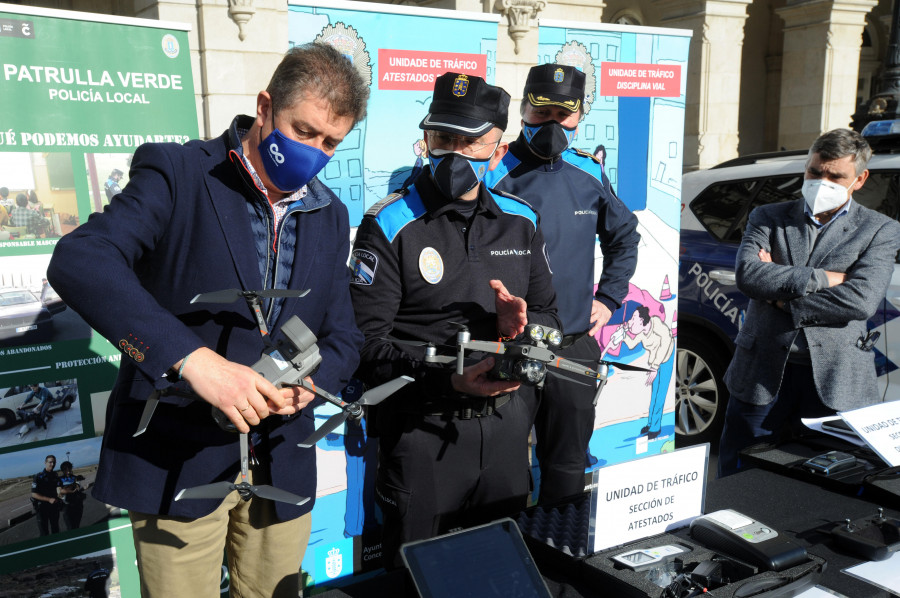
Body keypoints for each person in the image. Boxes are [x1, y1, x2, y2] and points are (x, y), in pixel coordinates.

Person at [47, 43, 367, 597]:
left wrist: (312, 386)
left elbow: (344, 333)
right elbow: (80, 260)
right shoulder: (177, 173)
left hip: (281, 466)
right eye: (303, 130)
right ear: (265, 107)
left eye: (331, 143)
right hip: (176, 460)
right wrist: (192, 361)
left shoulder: (330, 213)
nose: (315, 153)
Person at [350, 72, 560, 568]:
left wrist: (524, 331)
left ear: (497, 146)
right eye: (442, 138)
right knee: (419, 578)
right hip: (423, 436)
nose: (452, 154)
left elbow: (550, 315)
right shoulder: (389, 223)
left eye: (469, 142)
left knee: (500, 572)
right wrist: (445, 377)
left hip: (508, 433)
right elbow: (364, 344)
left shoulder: (521, 219)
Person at [483, 64, 640, 503]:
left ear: (578, 116)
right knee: (503, 467)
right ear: (524, 108)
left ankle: (561, 555)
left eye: (562, 114)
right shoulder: (491, 171)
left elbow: (624, 237)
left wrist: (609, 298)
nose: (551, 123)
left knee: (568, 465)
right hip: (505, 348)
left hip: (573, 345)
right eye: (541, 110)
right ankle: (513, 561)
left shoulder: (588, 174)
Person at [718, 128, 900, 477]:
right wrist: (824, 278)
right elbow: (750, 276)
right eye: (816, 172)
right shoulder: (767, 216)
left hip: (835, 381)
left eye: (836, 176)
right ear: (807, 166)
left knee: (825, 488)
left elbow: (861, 300)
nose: (822, 182)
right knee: (740, 476)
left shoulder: (880, 229)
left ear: (859, 179)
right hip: (762, 374)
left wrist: (785, 302)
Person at [603, 306, 675, 439]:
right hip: (656, 360)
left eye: (633, 318)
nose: (631, 321)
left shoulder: (656, 323)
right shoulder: (641, 333)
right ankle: (650, 423)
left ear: (642, 320)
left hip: (667, 357)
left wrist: (654, 367)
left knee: (660, 394)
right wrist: (622, 335)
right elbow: (631, 345)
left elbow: (665, 342)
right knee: (654, 394)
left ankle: (655, 428)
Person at [31, 455, 60, 536]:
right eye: (50, 462)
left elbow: (59, 489)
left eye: (54, 462)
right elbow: (34, 494)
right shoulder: (38, 477)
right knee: (44, 533)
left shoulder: (55, 475)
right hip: (42, 509)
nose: (52, 464)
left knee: (56, 529)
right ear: (45, 463)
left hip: (54, 508)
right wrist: (49, 499)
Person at [57, 460, 86, 530]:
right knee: (70, 527)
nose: (68, 471)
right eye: (65, 469)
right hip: (67, 506)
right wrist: (71, 490)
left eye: (69, 468)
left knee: (76, 525)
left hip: (78, 504)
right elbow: (60, 491)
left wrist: (68, 489)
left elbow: (78, 487)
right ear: (62, 470)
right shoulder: (59, 479)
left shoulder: (75, 477)